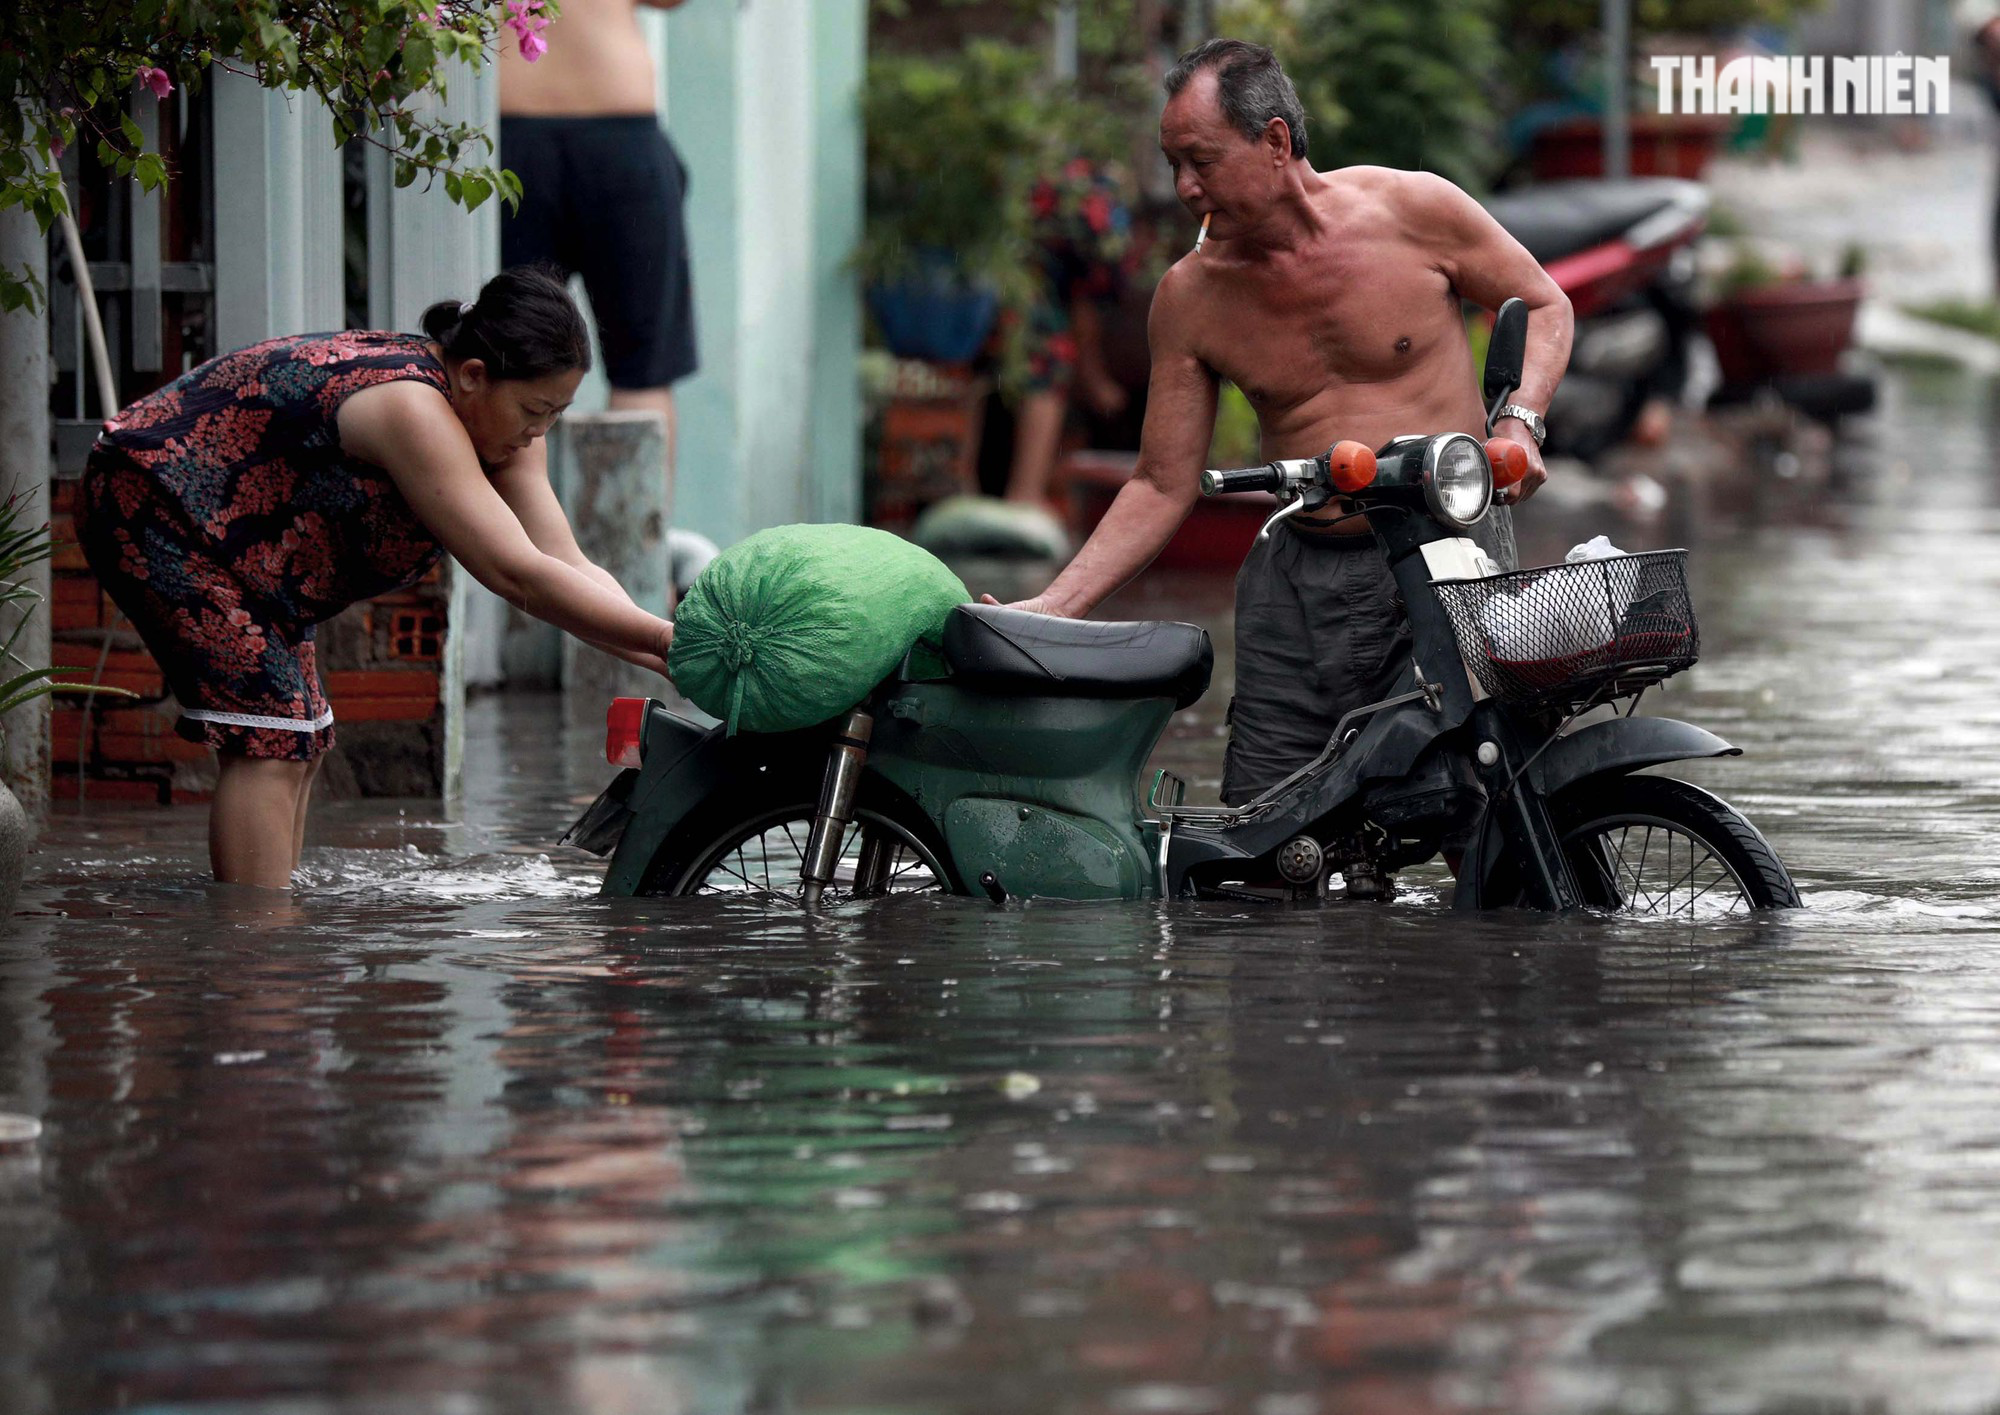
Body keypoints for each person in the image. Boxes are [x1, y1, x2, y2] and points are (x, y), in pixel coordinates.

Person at [997, 40, 1572, 805]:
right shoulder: (1192, 297)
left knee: (1476, 805)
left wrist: (1521, 422)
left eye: (1201, 161)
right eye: (1173, 164)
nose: (1184, 188)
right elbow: (1161, 483)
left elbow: (1544, 303)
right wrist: (1050, 610)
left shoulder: (1414, 210)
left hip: (1446, 559)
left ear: (1274, 141)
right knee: (1266, 840)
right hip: (1297, 587)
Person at [77, 266, 674, 890]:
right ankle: (256, 957)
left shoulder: (508, 429)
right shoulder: (410, 404)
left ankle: (269, 934)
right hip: (154, 502)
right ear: (473, 376)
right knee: (271, 738)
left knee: (299, 736)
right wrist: (662, 641)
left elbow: (565, 565)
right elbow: (514, 572)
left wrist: (665, 650)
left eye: (556, 412)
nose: (539, 430)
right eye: (534, 408)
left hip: (245, 546)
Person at [498, 0, 697, 477]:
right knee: (640, 366)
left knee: (506, 361)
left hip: (510, 130)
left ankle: (507, 546)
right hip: (616, 128)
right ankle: (631, 551)